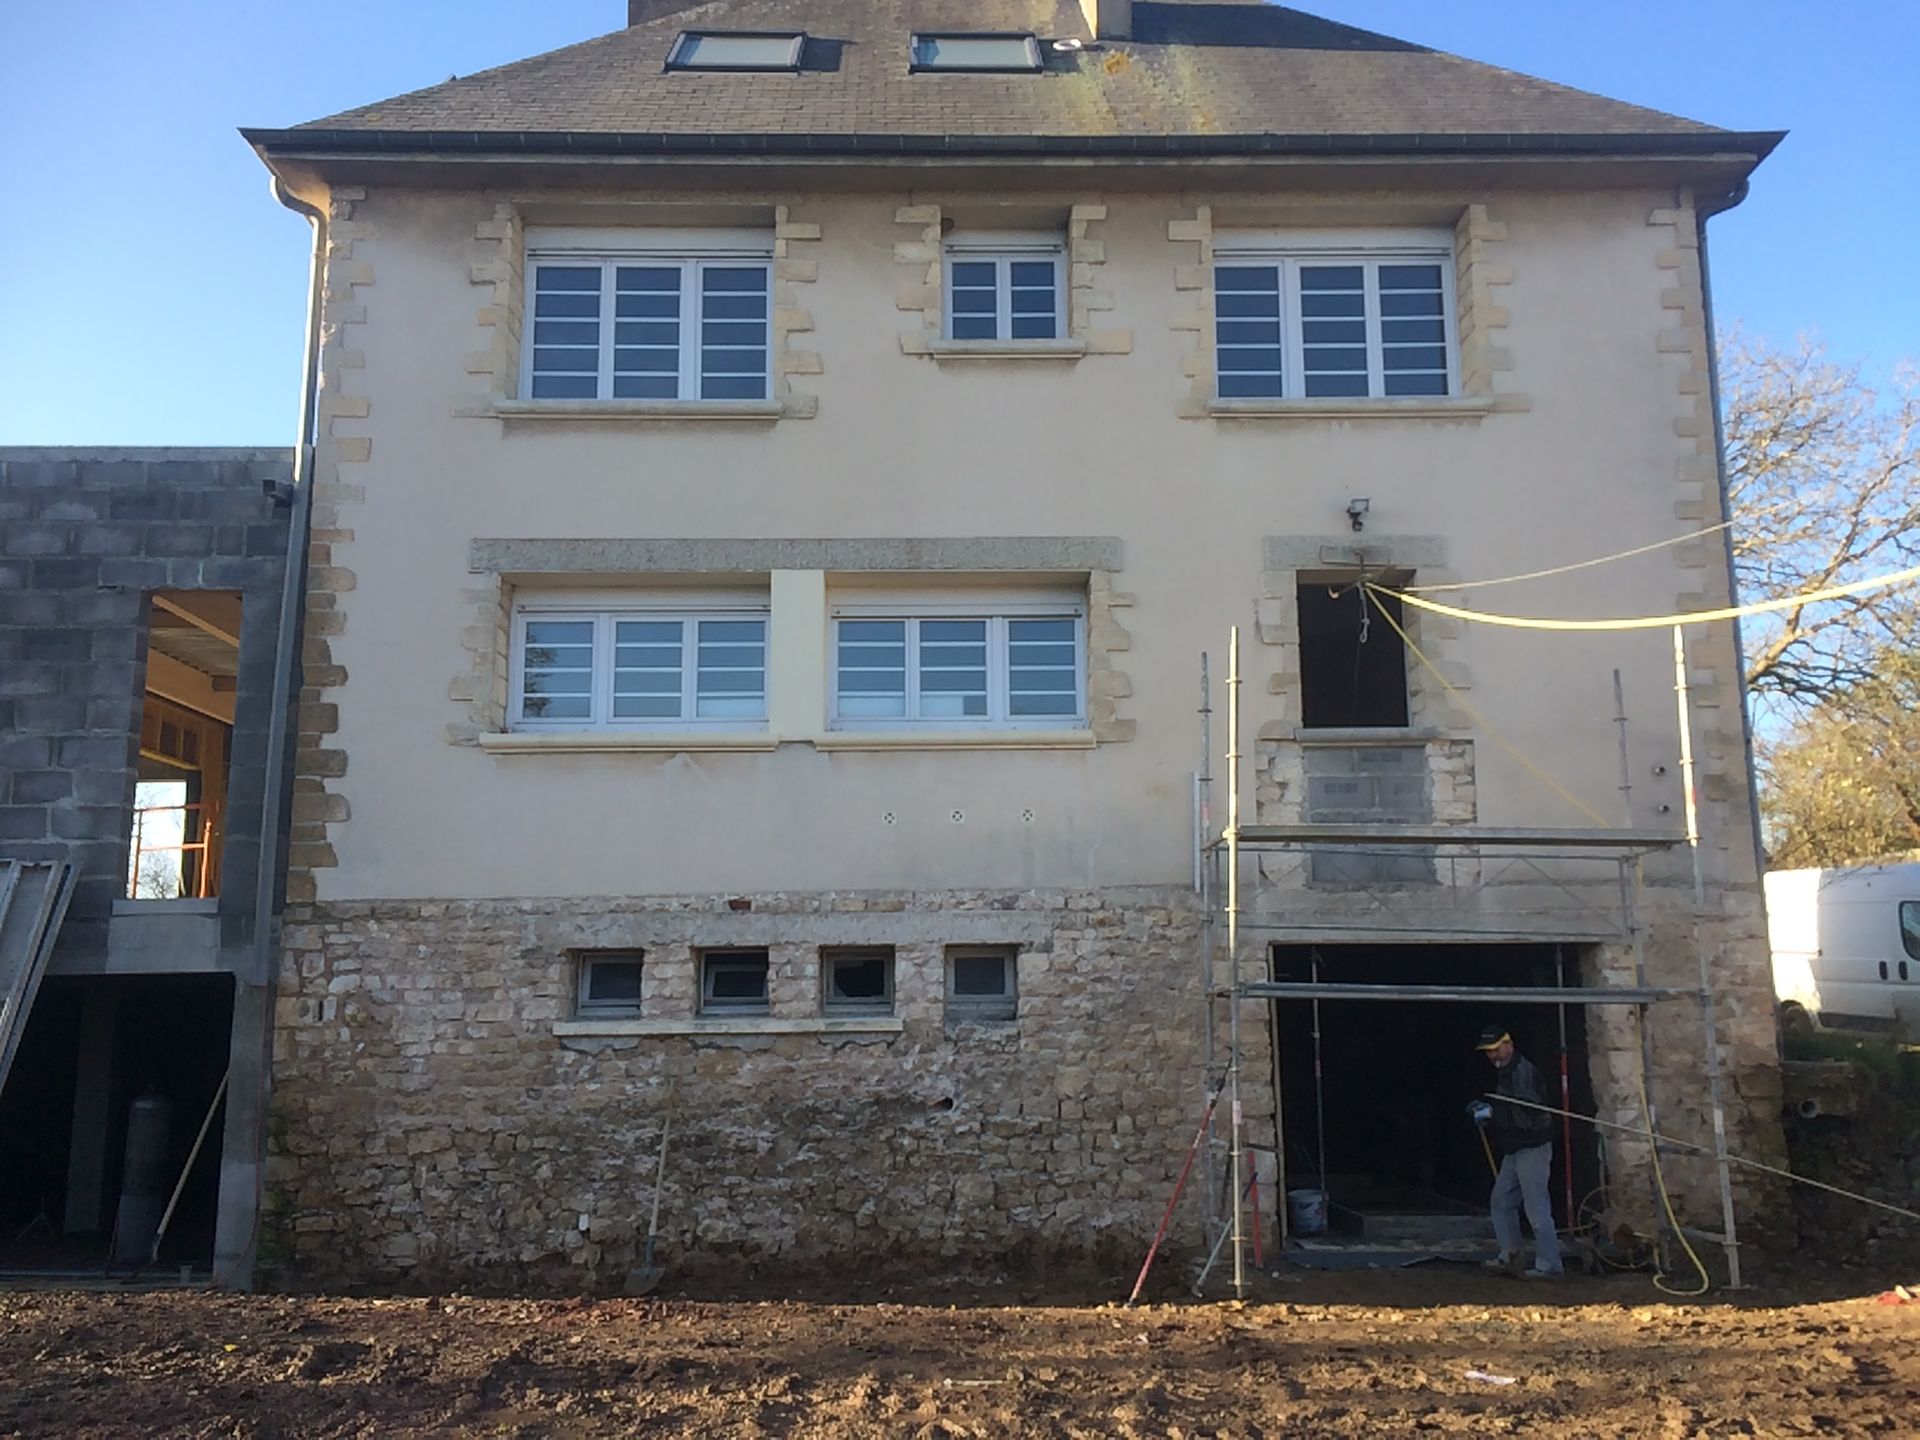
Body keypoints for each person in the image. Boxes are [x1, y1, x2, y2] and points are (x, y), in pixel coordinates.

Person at [1472, 1025, 1563, 1279]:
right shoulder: (1506, 1071)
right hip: (1515, 1147)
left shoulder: (1524, 1072)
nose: (1493, 1056)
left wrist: (1491, 1113)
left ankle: (1551, 1266)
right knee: (1501, 1202)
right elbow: (1509, 1109)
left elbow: (1525, 1115)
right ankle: (1510, 1256)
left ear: (1509, 1045)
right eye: (1488, 1052)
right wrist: (1489, 1110)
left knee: (1536, 1208)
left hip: (1533, 1147)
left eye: (1496, 1049)